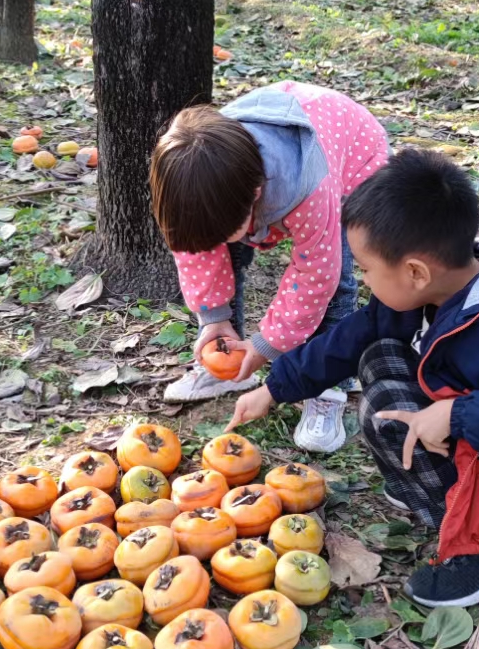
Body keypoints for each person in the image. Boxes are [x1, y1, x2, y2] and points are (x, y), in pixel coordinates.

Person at [227, 148, 479, 607]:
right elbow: (355, 334)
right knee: (379, 357)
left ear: (416, 272)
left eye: (366, 269)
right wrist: (275, 387)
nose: (362, 280)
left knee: (388, 403)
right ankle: (430, 490)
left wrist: (456, 413)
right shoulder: (440, 287)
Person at [150, 81, 389, 453]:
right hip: (274, 156)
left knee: (337, 275)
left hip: (351, 155)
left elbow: (315, 278)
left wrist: (267, 345)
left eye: (228, 232)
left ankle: (329, 387)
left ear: (255, 196)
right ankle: (228, 369)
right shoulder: (198, 177)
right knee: (220, 245)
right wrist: (213, 319)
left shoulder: (309, 187)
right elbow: (196, 253)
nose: (219, 242)